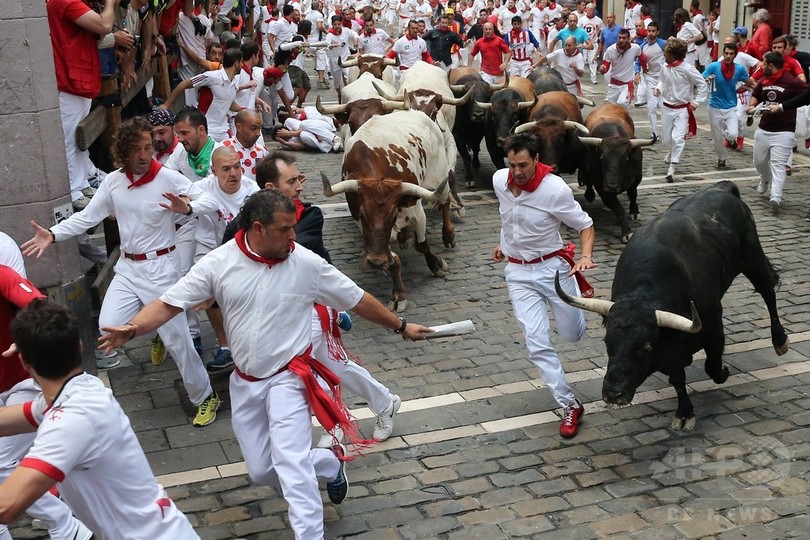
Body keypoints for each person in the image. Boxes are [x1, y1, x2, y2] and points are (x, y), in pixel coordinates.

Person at [98, 188, 433, 539]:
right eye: (285, 229)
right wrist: (134, 327)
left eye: (294, 228)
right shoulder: (218, 263)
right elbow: (169, 303)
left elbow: (356, 299)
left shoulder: (307, 264)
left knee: (291, 465)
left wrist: (401, 326)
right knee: (261, 470)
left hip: (290, 378)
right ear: (258, 229)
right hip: (245, 383)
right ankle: (330, 463)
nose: (293, 236)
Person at [20, 117, 223, 428]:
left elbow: (209, 198)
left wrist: (188, 209)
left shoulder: (167, 177)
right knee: (108, 325)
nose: (144, 155)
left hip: (162, 271)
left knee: (179, 342)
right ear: (123, 152)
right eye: (136, 149)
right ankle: (151, 328)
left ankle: (205, 396)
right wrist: (53, 233)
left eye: (147, 147)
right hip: (128, 268)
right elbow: (87, 217)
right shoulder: (114, 182)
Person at [0, 300, 198, 538]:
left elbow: (7, 506)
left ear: (23, 362)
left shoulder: (70, 421)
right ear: (80, 345)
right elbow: (9, 420)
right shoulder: (78, 390)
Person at [491, 132, 596, 439]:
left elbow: (585, 225)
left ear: (537, 160)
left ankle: (572, 312)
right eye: (512, 165)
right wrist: (504, 245)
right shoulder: (500, 181)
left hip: (554, 270)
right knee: (536, 343)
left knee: (572, 335)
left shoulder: (555, 190)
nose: (517, 172)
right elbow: (507, 217)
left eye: (522, 165)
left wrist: (586, 256)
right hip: (519, 274)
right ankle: (569, 404)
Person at [0, 270, 94, 540]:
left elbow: (41, 307)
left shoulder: (2, 274)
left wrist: (31, 336)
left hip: (26, 385)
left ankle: (66, 524)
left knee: (1, 461)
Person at [47, 0, 115, 211]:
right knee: (69, 139)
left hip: (79, 76)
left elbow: (99, 33)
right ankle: (74, 189)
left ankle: (84, 180)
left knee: (79, 139)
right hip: (69, 79)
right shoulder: (65, 1)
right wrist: (110, 2)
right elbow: (104, 25)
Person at [747, 52, 806, 214]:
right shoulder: (763, 81)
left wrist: (785, 106)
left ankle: (776, 196)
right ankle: (765, 177)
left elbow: (805, 94)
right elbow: (756, 95)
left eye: (764, 64)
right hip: (764, 128)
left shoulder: (791, 81)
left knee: (778, 164)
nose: (762, 66)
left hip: (784, 131)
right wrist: (752, 107)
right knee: (759, 161)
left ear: (771, 66)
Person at [161, 49, 254, 142]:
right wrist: (166, 104)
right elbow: (183, 84)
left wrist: (244, 110)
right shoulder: (212, 77)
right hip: (208, 130)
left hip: (224, 131)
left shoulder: (235, 81)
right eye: (241, 62)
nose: (242, 66)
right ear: (236, 64)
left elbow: (228, 102)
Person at [653, 38, 707, 183]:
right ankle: (671, 151)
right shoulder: (665, 67)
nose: (664, 55)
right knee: (666, 139)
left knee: (678, 138)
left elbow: (702, 85)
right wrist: (658, 88)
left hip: (682, 109)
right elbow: (663, 81)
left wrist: (696, 102)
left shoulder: (688, 69)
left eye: (666, 53)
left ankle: (672, 168)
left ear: (674, 54)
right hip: (666, 107)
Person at [702, 43, 755, 168]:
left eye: (731, 54)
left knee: (732, 133)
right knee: (717, 137)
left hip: (731, 106)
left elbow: (749, 82)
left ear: (735, 55)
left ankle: (731, 139)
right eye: (726, 53)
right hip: (714, 106)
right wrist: (706, 79)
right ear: (723, 53)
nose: (728, 56)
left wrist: (760, 90)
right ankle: (721, 158)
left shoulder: (739, 69)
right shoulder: (714, 67)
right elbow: (701, 79)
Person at [600, 28, 645, 108]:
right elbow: (605, 66)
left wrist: (644, 69)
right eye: (619, 37)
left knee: (622, 103)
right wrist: (603, 69)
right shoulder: (611, 50)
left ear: (628, 39)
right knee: (609, 108)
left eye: (624, 38)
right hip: (614, 84)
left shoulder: (635, 48)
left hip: (626, 85)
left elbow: (642, 58)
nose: (621, 40)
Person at [638, 21, 666, 140]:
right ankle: (655, 133)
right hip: (649, 78)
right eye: (649, 31)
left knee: (664, 106)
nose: (650, 33)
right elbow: (638, 61)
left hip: (663, 79)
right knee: (651, 107)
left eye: (653, 31)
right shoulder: (642, 46)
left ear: (658, 32)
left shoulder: (664, 44)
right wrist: (636, 73)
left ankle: (666, 132)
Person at [223, 109, 269, 181]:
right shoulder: (224, 148)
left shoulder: (262, 151)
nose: (258, 133)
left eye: (259, 128)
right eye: (253, 128)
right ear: (239, 127)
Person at [578, 3, 602, 85]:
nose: (589, 12)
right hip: (584, 43)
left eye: (590, 10)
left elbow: (602, 29)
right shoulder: (582, 20)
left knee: (593, 61)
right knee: (582, 60)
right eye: (587, 10)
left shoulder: (598, 20)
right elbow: (578, 30)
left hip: (594, 43)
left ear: (594, 11)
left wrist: (599, 34)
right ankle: (578, 76)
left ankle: (593, 78)